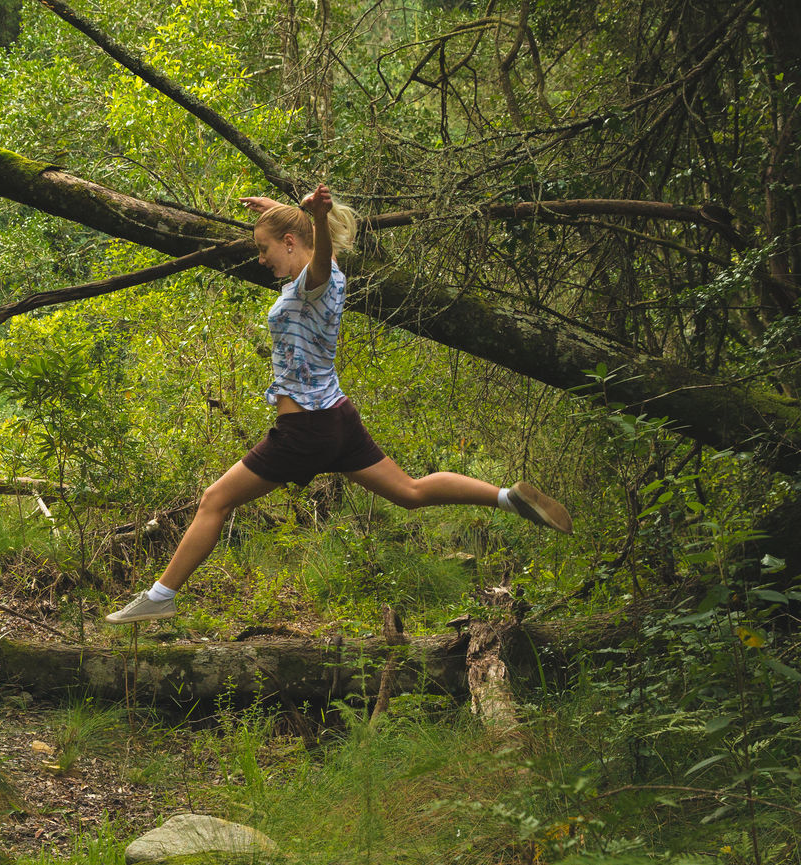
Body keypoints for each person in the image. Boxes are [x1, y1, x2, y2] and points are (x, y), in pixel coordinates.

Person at [104, 183, 573, 625]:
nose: (261, 259)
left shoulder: (317, 279)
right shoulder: (317, 280)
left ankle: (159, 599)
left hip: (305, 429)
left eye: (264, 249)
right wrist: (277, 211)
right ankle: (507, 498)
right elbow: (308, 250)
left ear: (290, 242)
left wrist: (318, 219)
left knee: (214, 501)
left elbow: (318, 258)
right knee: (409, 492)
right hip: (337, 419)